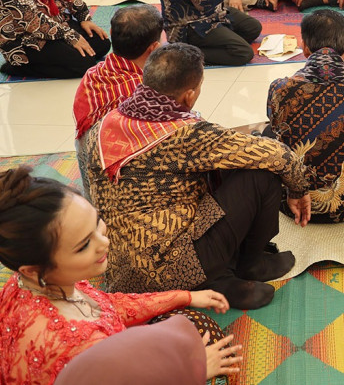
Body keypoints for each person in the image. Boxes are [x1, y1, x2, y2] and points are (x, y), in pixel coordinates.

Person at [81, 43, 311, 309]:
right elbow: (278, 155)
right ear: (189, 95)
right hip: (171, 267)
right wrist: (298, 190)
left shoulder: (105, 124)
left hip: (119, 272)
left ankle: (218, 276)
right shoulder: (185, 134)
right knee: (262, 172)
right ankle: (247, 265)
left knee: (226, 161)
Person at [0, 166, 239, 385]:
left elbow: (107, 306)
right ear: (33, 269)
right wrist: (195, 370)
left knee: (185, 324)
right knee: (198, 333)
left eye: (97, 221)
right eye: (83, 245)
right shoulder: (83, 347)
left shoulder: (28, 281)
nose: (104, 242)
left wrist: (185, 296)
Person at [267, 10, 344, 222]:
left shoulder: (279, 88)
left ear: (305, 48)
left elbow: (278, 130)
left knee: (267, 133)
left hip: (289, 203)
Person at [72, 4, 161, 156]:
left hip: (89, 160)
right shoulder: (147, 91)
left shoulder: (92, 75)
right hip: (123, 165)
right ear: (154, 48)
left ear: (111, 32)